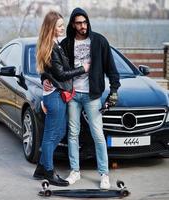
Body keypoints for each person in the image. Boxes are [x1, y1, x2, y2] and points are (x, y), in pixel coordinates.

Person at [43, 7, 121, 189]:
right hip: (72, 95)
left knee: (98, 134)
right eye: (79, 23)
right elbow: (50, 67)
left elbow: (112, 70)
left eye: (85, 22)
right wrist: (44, 78)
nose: (83, 25)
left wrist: (114, 91)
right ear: (73, 24)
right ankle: (75, 171)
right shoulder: (66, 44)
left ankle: (104, 174)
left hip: (92, 96)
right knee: (72, 133)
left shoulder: (99, 41)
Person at [33, 10, 90, 186]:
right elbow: (61, 73)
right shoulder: (50, 47)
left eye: (63, 24)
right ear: (51, 28)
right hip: (56, 96)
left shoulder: (54, 44)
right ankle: (49, 173)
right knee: (51, 135)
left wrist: (44, 78)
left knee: (60, 132)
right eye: (59, 25)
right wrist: (83, 68)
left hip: (58, 94)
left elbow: (47, 71)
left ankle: (41, 168)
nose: (62, 27)